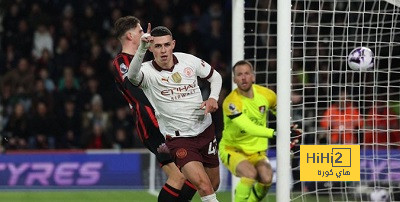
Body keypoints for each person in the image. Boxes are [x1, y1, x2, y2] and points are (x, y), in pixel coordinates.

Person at [127, 26, 222, 202]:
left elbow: (215, 77)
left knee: (213, 184)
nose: (163, 50)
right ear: (151, 48)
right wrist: (141, 48)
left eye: (166, 45)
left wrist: (213, 98)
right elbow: (132, 76)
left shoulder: (188, 61)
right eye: (157, 46)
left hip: (206, 131)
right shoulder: (147, 72)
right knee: (204, 186)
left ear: (173, 44)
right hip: (180, 139)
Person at [112, 16, 196, 202]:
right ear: (130, 36)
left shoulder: (146, 60)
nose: (145, 34)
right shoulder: (121, 61)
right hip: (150, 123)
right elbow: (132, 86)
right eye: (140, 31)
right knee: (179, 176)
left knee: (192, 173)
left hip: (166, 121)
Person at [218, 60, 276, 202]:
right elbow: (248, 127)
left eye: (246, 74)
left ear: (253, 77)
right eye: (239, 75)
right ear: (234, 79)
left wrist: (290, 127)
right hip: (232, 149)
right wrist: (274, 133)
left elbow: (281, 113)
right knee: (250, 173)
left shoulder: (267, 95)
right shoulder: (231, 102)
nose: (243, 78)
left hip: (257, 152)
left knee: (267, 178)